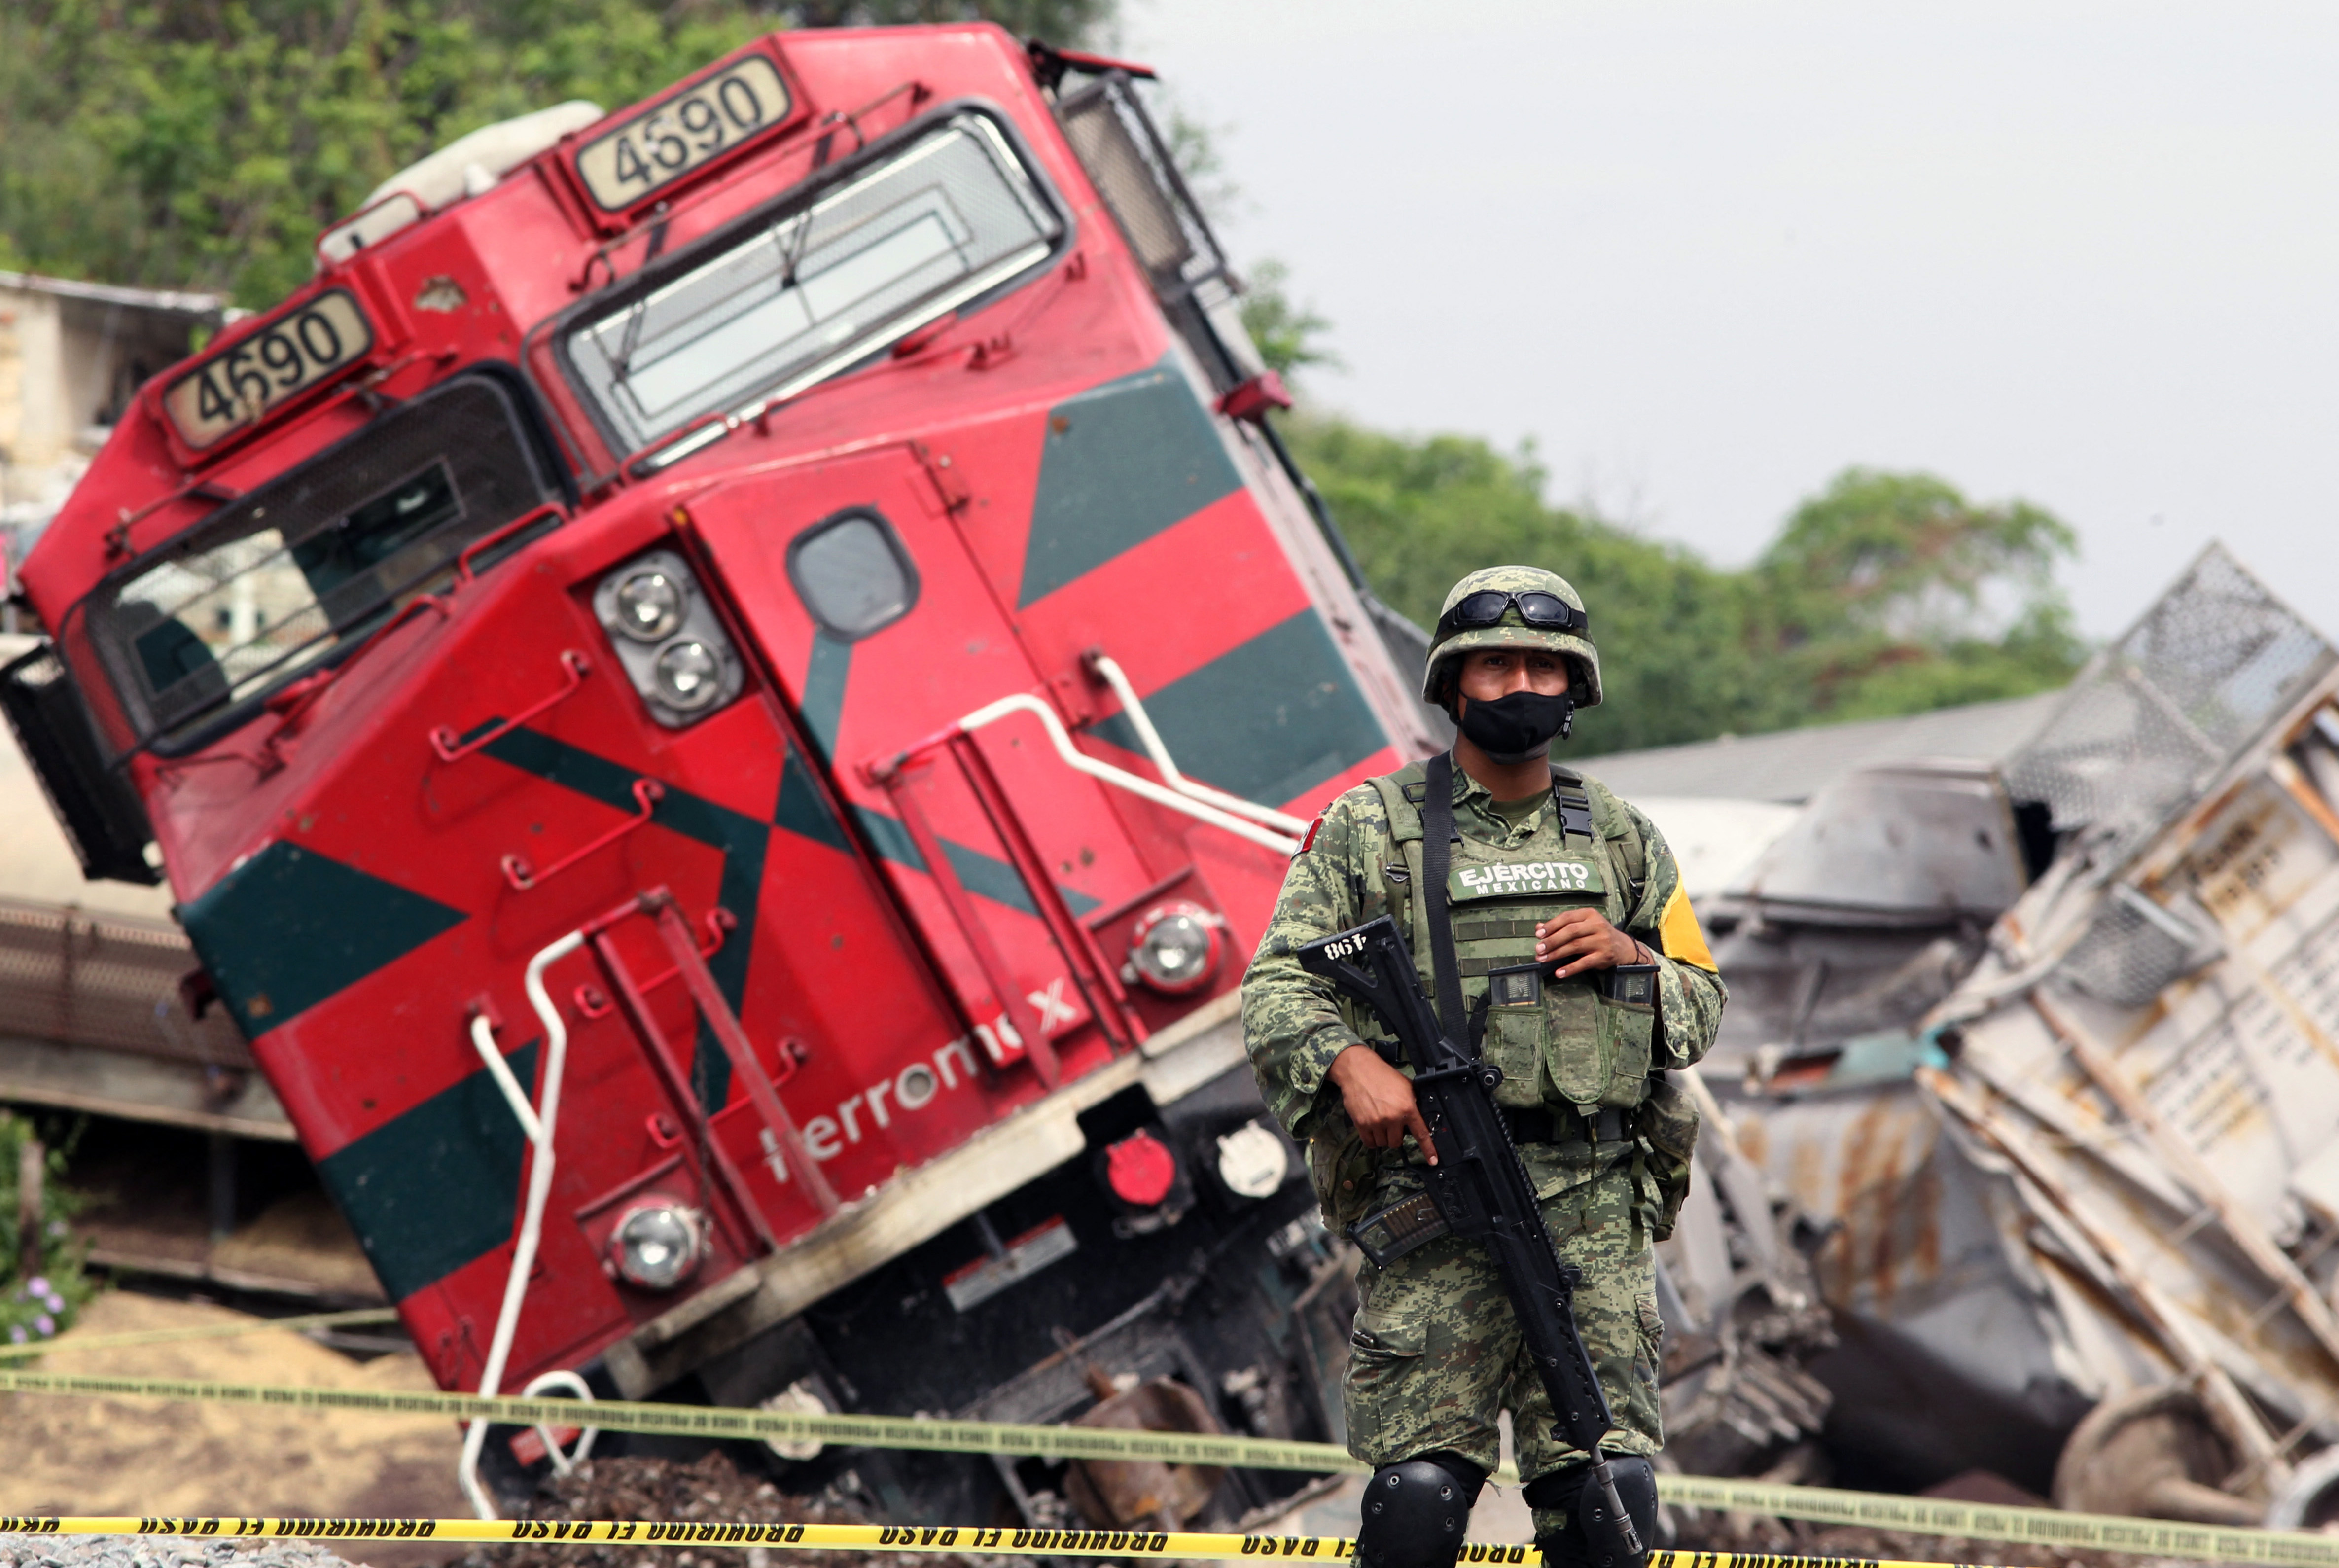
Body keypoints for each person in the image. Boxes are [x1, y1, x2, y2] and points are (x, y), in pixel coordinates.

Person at [1242, 566, 1726, 1568]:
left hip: (1592, 1211)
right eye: (1494, 665)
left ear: (1574, 686)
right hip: (1437, 1200)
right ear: (1452, 685)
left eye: (1541, 666)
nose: (1518, 686)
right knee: (1416, 1499)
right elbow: (1276, 989)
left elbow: (1702, 1005)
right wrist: (1346, 1066)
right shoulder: (1370, 827)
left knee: (1608, 1497)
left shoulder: (1624, 839)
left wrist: (1632, 957)